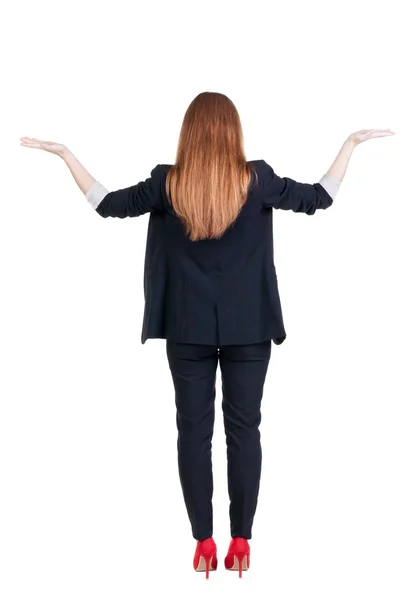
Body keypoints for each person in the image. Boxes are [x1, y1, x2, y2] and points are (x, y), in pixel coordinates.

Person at [20, 92, 394, 579]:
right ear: (234, 131)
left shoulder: (166, 184)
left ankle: (203, 542)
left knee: (193, 434)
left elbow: (106, 205)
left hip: (187, 329)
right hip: (250, 330)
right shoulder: (256, 179)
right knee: (245, 432)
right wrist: (350, 144)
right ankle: (241, 540)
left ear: (188, 133)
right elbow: (319, 197)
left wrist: (67, 155)